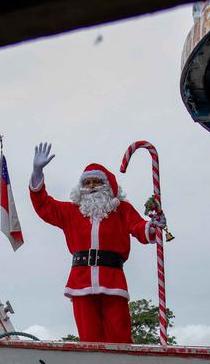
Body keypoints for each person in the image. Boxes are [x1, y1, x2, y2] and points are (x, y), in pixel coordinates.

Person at [28, 142, 166, 343]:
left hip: (113, 279)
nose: (91, 186)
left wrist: (154, 225)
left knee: (120, 335)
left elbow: (140, 229)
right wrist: (37, 173)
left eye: (96, 182)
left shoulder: (121, 210)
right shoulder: (71, 212)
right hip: (80, 280)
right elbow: (43, 205)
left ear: (108, 186)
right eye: (87, 182)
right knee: (89, 338)